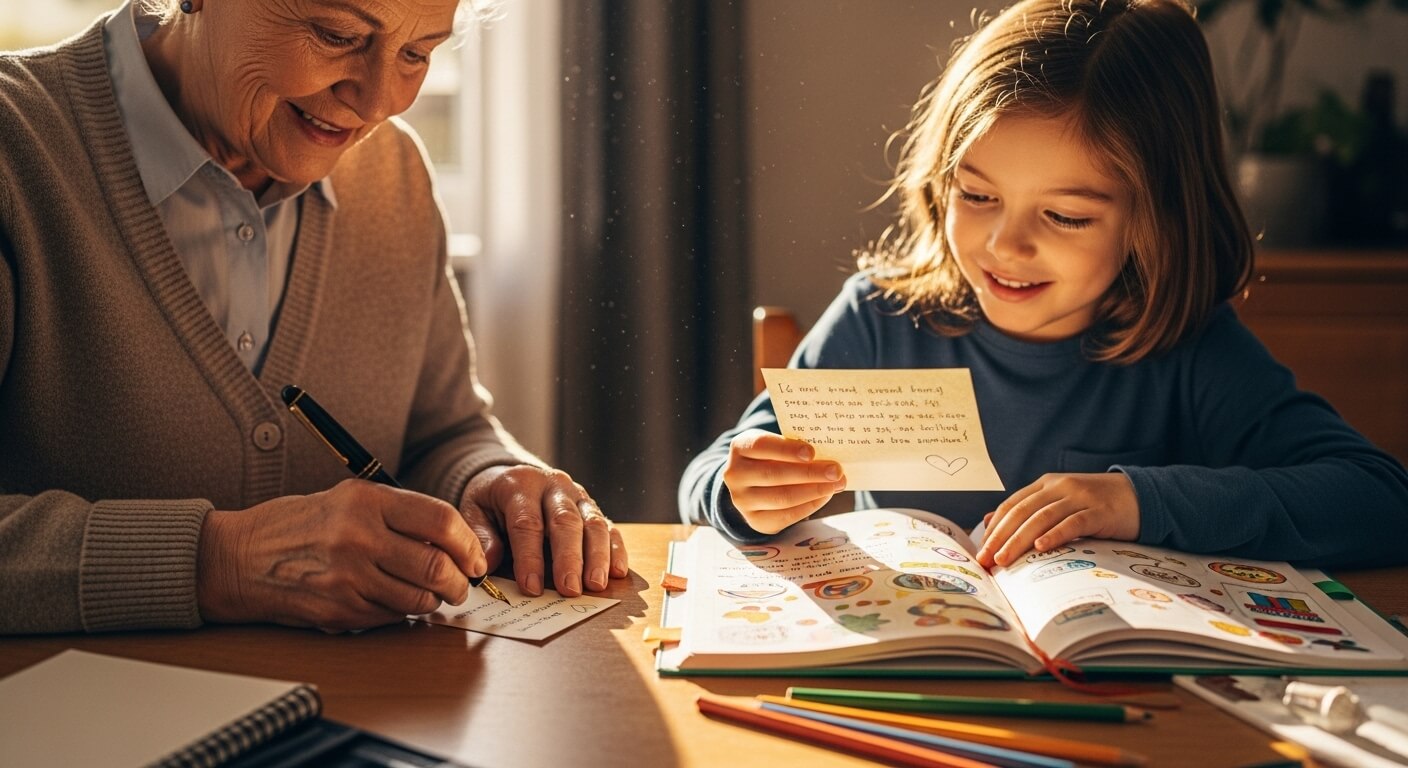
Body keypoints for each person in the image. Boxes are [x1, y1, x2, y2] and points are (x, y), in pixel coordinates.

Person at [679, 0, 1408, 570]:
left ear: (1154, 218)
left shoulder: (1190, 349)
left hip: (1124, 702)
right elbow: (707, 478)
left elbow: (1381, 501)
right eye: (978, 195)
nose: (1005, 244)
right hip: (902, 686)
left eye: (1063, 215)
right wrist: (740, 493)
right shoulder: (880, 320)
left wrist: (1135, 501)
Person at [0, 0, 627, 635]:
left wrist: (488, 480)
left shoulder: (393, 173)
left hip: (356, 718)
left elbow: (441, 432)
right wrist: (224, 562)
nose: (379, 101)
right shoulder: (14, 150)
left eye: (417, 53)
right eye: (337, 35)